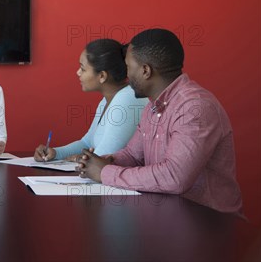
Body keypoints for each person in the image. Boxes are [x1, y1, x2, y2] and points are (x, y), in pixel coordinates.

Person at [77, 28, 243, 214]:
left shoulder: (195, 108)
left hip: (211, 223)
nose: (126, 75)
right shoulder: (153, 106)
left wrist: (105, 172)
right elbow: (133, 155)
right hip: (169, 217)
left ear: (146, 70)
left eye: (128, 67)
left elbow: (174, 177)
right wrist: (105, 161)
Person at [34, 39, 148, 162]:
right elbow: (87, 143)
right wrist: (56, 153)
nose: (78, 73)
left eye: (83, 69)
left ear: (102, 76)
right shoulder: (106, 100)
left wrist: (81, 159)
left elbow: (102, 159)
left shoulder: (127, 99)